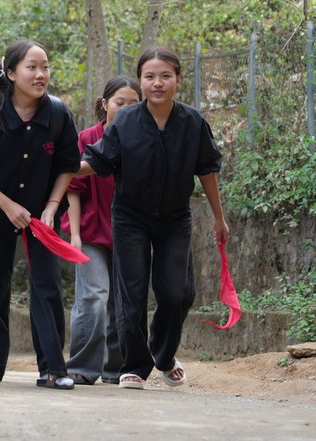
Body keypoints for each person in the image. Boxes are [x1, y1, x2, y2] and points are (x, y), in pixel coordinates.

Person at [78, 47, 229, 390]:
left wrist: (220, 218)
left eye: (165, 76)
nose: (157, 83)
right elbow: (97, 162)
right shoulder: (126, 121)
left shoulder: (193, 122)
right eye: (149, 76)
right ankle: (135, 364)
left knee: (178, 293)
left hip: (175, 218)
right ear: (141, 81)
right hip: (130, 217)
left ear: (178, 79)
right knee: (131, 294)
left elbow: (207, 172)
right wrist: (63, 166)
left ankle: (163, 354)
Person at [0, 40, 81, 389]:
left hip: (41, 217)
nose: (40, 74)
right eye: (31, 67)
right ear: (10, 73)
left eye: (45, 67)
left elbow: (67, 166)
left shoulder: (57, 114)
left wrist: (53, 206)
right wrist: (7, 205)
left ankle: (54, 369)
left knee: (47, 287)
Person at [61, 76, 141, 385]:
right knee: (94, 295)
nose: (126, 109)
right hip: (91, 231)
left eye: (134, 104)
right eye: (120, 103)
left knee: (123, 301)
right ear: (105, 104)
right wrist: (76, 236)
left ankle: (115, 368)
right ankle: (81, 366)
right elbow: (73, 185)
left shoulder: (142, 139)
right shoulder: (85, 138)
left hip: (128, 232)